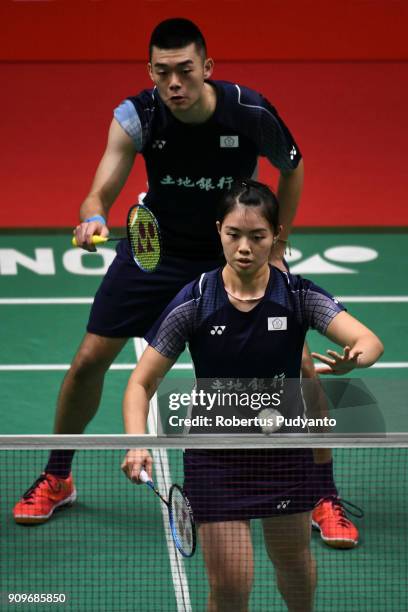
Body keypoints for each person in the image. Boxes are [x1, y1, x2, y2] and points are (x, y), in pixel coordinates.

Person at [13, 18, 352, 545]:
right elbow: (99, 189)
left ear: (206, 69)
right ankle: (58, 473)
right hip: (156, 253)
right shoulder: (137, 117)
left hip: (232, 249)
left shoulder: (249, 111)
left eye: (185, 71)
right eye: (163, 72)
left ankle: (323, 493)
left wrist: (276, 249)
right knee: (88, 360)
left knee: (300, 367)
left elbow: (293, 167)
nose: (174, 83)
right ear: (151, 72)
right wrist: (94, 215)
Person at [121, 180, 384, 612]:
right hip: (215, 453)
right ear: (219, 230)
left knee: (293, 564)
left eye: (258, 236)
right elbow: (140, 382)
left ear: (276, 235)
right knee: (232, 584)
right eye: (234, 235)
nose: (245, 247)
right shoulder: (197, 300)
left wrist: (356, 358)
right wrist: (136, 440)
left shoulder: (297, 296)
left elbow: (367, 340)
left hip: (281, 448)